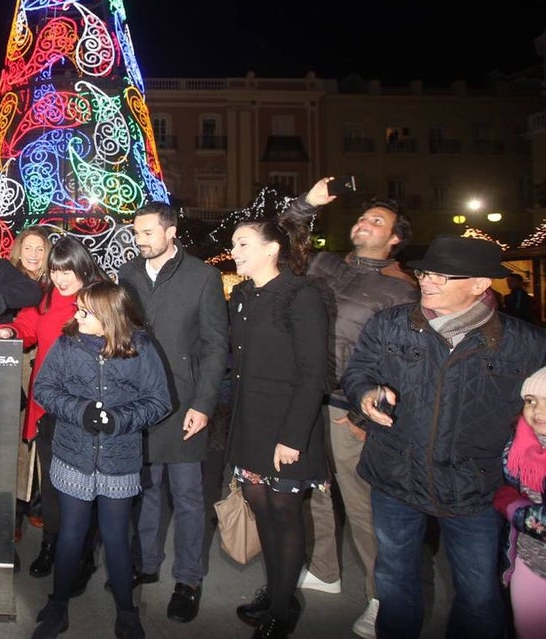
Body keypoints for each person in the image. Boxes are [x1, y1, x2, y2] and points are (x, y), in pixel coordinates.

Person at [342, 235, 546, 639]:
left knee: (479, 594)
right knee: (395, 581)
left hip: (476, 488)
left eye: (442, 275)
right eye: (425, 272)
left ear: (480, 284)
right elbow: (358, 370)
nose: (428, 281)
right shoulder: (390, 323)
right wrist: (365, 394)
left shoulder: (528, 344)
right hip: (396, 475)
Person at [282, 179, 417, 637]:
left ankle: (383, 595)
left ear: (395, 239)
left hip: (349, 406)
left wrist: (364, 416)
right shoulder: (327, 265)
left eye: (377, 221)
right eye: (362, 217)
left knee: (362, 505)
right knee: (314, 490)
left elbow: (403, 363)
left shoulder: (401, 290)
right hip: (308, 397)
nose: (364, 223)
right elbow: (288, 237)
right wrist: (307, 204)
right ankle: (325, 570)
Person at [29, 282, 171, 639]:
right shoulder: (67, 343)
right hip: (73, 453)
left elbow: (159, 401)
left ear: (108, 317)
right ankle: (58, 607)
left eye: (84, 311)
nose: (76, 316)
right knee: (71, 534)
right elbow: (44, 388)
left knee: (116, 537)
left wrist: (119, 419)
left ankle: (127, 612)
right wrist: (81, 412)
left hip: (119, 458)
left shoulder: (140, 347)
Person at [118, 201, 229, 623]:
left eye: (147, 232)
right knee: (144, 489)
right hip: (138, 403)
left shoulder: (204, 277)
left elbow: (217, 346)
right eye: (136, 232)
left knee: (186, 496)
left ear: (170, 232)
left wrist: (203, 404)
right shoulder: (127, 274)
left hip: (184, 404)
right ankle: (146, 563)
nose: (139, 239)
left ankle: (188, 579)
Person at [0, 237, 109, 582]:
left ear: (83, 267)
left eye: (68, 270)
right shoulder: (45, 298)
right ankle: (51, 543)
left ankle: (83, 552)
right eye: (55, 270)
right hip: (50, 406)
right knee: (53, 483)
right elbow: (26, 328)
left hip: (87, 407)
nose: (61, 278)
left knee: (85, 484)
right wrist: (7, 330)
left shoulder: (99, 299)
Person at [228, 216, 329, 639]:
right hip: (250, 420)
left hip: (287, 425)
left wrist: (292, 437)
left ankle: (283, 611)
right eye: (234, 244)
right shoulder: (242, 294)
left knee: (285, 514)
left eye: (243, 243)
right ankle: (275, 594)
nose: (235, 252)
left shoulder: (301, 295)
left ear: (272, 248)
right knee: (262, 511)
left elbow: (313, 374)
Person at [495, 366, 546, 639]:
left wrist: (511, 507)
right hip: (528, 560)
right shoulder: (521, 442)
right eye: (531, 401)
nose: (537, 410)